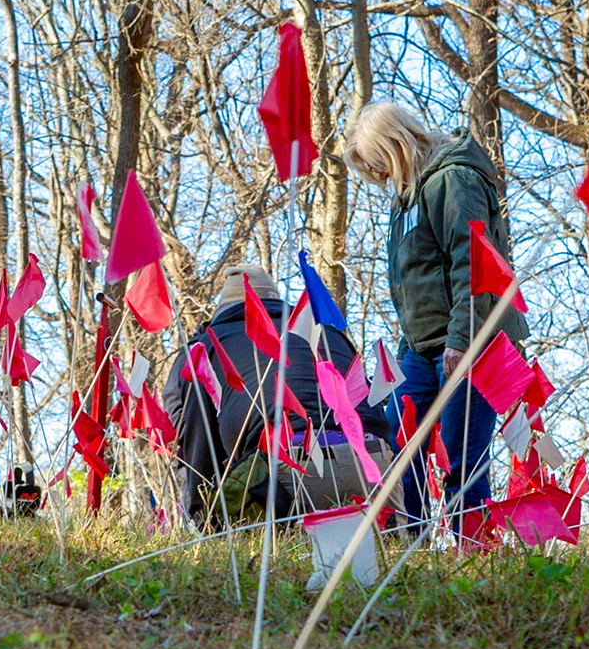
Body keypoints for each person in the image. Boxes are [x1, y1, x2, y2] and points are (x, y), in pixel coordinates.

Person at [345, 101, 527, 530]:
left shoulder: (452, 179)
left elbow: (473, 263)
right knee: (397, 439)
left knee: (462, 451)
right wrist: (409, 343)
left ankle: (474, 549)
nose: (380, 177)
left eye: (378, 165)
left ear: (394, 145)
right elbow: (414, 284)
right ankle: (410, 544)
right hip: (422, 350)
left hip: (475, 339)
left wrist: (461, 339)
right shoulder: (404, 201)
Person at [163, 264, 393, 528]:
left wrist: (202, 518)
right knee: (385, 563)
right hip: (374, 464)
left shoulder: (210, 344)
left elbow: (201, 449)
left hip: (286, 470)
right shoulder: (327, 332)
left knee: (272, 560)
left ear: (222, 312)